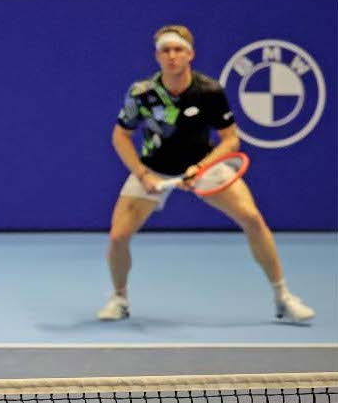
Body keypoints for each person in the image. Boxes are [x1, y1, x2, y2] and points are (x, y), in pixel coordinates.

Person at [98, 25, 314, 323]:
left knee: (252, 218)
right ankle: (119, 298)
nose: (172, 56)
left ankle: (283, 296)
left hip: (204, 165)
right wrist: (141, 173)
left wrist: (200, 168)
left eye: (178, 50)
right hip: (154, 169)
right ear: (157, 56)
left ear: (190, 55)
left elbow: (230, 140)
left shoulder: (209, 92)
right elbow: (120, 136)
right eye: (166, 50)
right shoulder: (142, 93)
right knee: (118, 236)